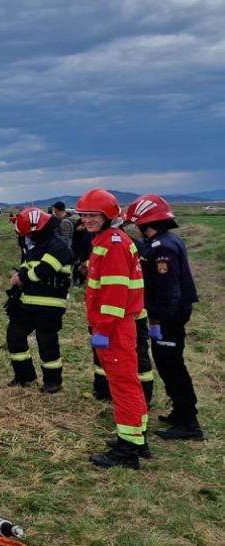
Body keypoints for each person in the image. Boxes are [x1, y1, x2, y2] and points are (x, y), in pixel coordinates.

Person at [75, 188, 148, 469]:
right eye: (85, 215)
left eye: (94, 215)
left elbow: (115, 295)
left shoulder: (113, 244)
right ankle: (137, 439)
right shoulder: (109, 239)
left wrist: (103, 329)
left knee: (123, 385)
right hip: (117, 325)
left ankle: (128, 450)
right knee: (128, 383)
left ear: (108, 216)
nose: (88, 220)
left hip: (115, 326)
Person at [125, 194, 202, 441]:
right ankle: (180, 412)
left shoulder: (163, 248)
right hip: (171, 314)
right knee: (168, 364)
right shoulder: (165, 241)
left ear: (146, 222)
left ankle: (189, 423)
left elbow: (169, 289)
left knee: (172, 366)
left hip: (170, 316)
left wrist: (157, 319)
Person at [5, 208, 73, 393]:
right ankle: (24, 376)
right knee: (15, 336)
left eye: (29, 234)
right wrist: (19, 276)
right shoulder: (35, 248)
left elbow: (44, 270)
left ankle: (53, 382)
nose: (27, 238)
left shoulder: (57, 246)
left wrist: (22, 277)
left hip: (50, 305)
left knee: (47, 343)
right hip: (27, 303)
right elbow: (27, 267)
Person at [92, 217, 155, 408]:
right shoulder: (119, 243)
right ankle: (106, 390)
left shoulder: (118, 246)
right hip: (117, 314)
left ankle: (143, 397)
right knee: (109, 358)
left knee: (136, 357)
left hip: (127, 315)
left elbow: (119, 286)